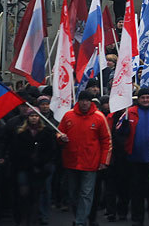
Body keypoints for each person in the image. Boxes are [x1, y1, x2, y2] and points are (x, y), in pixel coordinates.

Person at [57, 91, 112, 226]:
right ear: (78, 101)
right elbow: (59, 133)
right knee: (73, 194)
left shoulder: (99, 117)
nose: (84, 103)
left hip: (90, 163)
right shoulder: (68, 116)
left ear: (91, 102)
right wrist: (61, 138)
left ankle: (80, 222)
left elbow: (107, 141)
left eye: (87, 100)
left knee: (86, 194)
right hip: (72, 162)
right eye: (82, 100)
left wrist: (104, 161)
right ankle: (79, 216)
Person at [116, 88, 149, 226]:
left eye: (147, 98)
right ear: (138, 99)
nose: (145, 100)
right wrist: (124, 127)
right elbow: (118, 131)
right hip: (135, 159)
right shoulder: (129, 112)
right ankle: (137, 219)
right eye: (142, 97)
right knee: (136, 190)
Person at [8, 110, 58, 226]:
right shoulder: (21, 133)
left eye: (36, 116)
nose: (34, 118)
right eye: (31, 116)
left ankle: (33, 220)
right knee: (23, 194)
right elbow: (15, 151)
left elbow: (51, 151)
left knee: (36, 195)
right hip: (24, 168)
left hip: (39, 169)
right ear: (27, 118)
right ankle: (23, 217)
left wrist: (43, 162)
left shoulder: (46, 133)